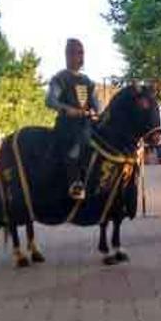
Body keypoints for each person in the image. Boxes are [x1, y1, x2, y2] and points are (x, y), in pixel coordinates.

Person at [45, 38, 102, 200]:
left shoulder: (88, 82)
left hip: (87, 123)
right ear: (68, 55)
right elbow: (50, 100)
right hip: (67, 125)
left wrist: (96, 112)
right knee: (77, 144)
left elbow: (97, 104)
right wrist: (67, 109)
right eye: (77, 52)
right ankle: (75, 182)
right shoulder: (60, 78)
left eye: (82, 52)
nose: (80, 56)